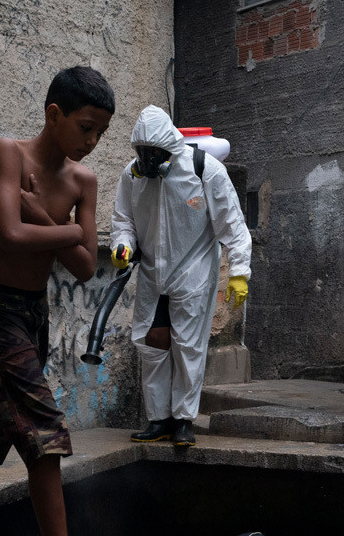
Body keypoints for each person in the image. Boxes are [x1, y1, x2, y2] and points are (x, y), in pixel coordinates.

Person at [0, 66, 115, 536]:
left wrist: (40, 213)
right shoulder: (9, 154)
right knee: (43, 429)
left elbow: (85, 267)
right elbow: (11, 234)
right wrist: (74, 230)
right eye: (85, 127)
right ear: (53, 114)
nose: (92, 141)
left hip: (34, 313)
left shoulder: (84, 181)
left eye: (101, 132)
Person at [110, 105, 252, 447]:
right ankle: (159, 419)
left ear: (168, 147)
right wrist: (123, 246)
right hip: (152, 273)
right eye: (141, 152)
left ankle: (184, 420)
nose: (146, 159)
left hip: (194, 271)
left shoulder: (204, 170)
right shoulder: (132, 176)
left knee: (188, 347)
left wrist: (239, 272)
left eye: (152, 153)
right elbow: (123, 221)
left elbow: (232, 224)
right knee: (152, 342)